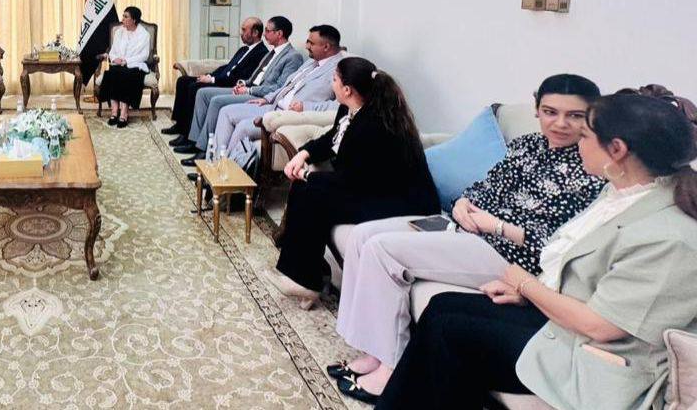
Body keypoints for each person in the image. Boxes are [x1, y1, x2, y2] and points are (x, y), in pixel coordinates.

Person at [377, 93, 697, 410]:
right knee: (442, 307)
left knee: (450, 332)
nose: (577, 143)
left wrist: (525, 283)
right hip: (566, 330)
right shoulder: (621, 193)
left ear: (617, 150)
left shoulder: (670, 238)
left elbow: (600, 326)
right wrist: (528, 293)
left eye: (585, 135)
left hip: (598, 361)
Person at [329, 74, 605, 402]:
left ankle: (391, 368)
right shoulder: (528, 144)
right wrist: (461, 203)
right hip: (466, 228)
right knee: (362, 235)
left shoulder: (592, 165)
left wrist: (496, 226)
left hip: (509, 254)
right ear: (537, 109)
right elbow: (485, 185)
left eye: (574, 115)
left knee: (382, 250)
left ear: (592, 116)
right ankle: (374, 351)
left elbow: (560, 244)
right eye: (550, 112)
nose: (559, 123)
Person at [270, 57, 437, 310]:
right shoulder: (349, 110)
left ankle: (306, 280)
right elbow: (332, 138)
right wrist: (304, 153)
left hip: (399, 201)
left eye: (334, 79)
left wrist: (308, 175)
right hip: (370, 187)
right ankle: (309, 275)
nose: (331, 84)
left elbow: (355, 181)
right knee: (307, 188)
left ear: (347, 89)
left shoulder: (374, 125)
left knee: (313, 191)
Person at [183, 25, 344, 168]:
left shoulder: (340, 69)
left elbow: (341, 106)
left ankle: (225, 172)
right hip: (272, 105)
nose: (306, 46)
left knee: (243, 126)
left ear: (326, 46)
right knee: (226, 111)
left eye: (311, 43)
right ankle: (213, 164)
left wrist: (306, 106)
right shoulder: (312, 62)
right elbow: (286, 86)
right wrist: (268, 98)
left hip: (288, 115)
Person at [173, 15, 305, 154]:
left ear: (279, 33)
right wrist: (243, 83)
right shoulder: (272, 52)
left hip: (260, 96)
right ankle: (193, 140)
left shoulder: (292, 57)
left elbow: (280, 87)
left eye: (267, 30)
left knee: (216, 101)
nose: (264, 34)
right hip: (248, 88)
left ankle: (203, 148)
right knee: (202, 93)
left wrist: (249, 90)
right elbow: (256, 75)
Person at [161, 17, 267, 136]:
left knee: (194, 87)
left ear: (255, 33)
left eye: (244, 30)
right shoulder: (243, 49)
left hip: (228, 84)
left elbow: (241, 77)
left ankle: (187, 132)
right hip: (220, 79)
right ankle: (179, 125)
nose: (241, 33)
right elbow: (227, 67)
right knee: (182, 81)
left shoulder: (261, 53)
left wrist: (212, 80)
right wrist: (209, 75)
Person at [98, 6, 152, 128]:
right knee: (111, 73)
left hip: (135, 65)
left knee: (127, 75)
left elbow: (144, 55)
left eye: (126, 16)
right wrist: (114, 59)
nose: (122, 19)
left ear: (134, 20)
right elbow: (112, 51)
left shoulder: (144, 34)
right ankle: (114, 112)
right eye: (123, 16)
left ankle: (123, 113)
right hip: (118, 64)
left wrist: (126, 61)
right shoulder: (119, 32)